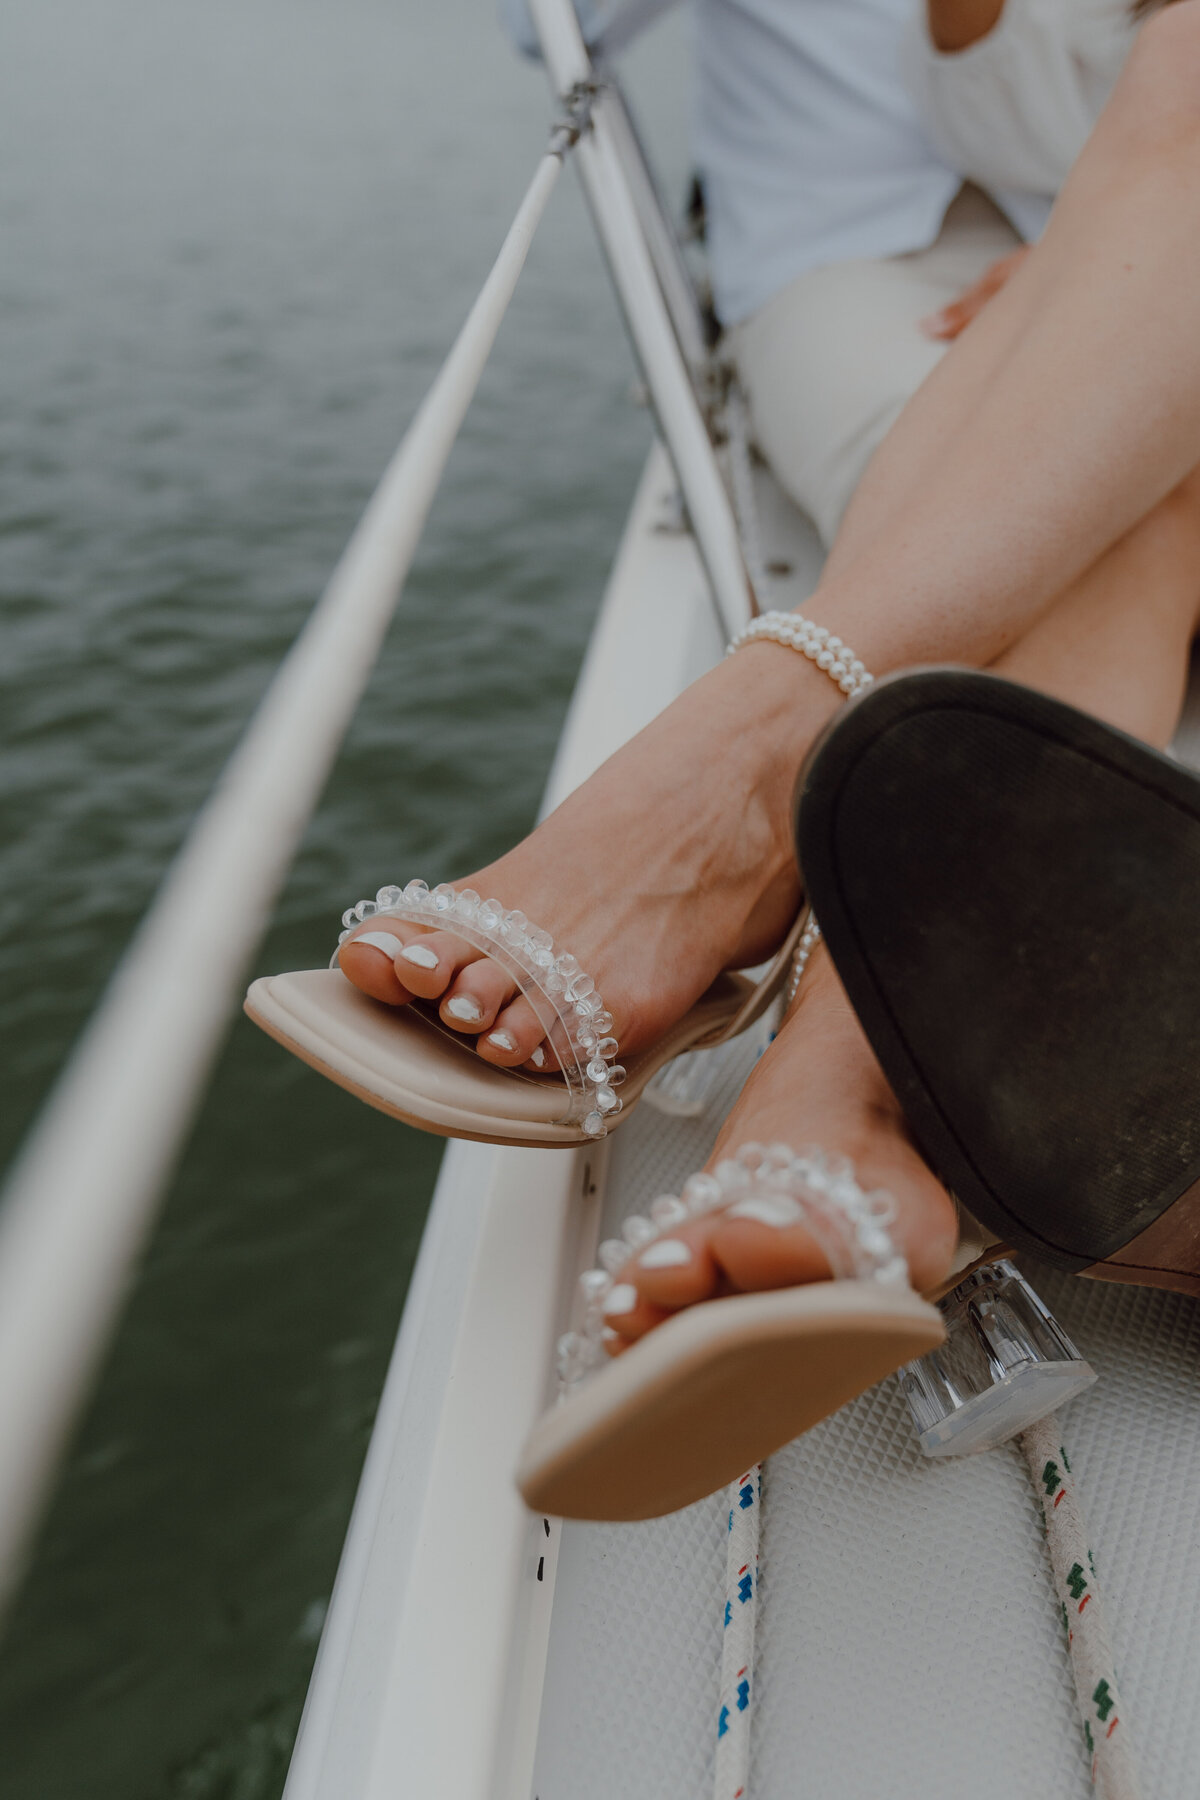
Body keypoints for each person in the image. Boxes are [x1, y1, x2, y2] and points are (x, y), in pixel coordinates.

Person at [262, 0, 1200, 1502]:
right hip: (877, 254)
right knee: (1138, 433)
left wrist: (1119, 267)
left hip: (1132, 231)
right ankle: (859, 1082)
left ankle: (766, 810)